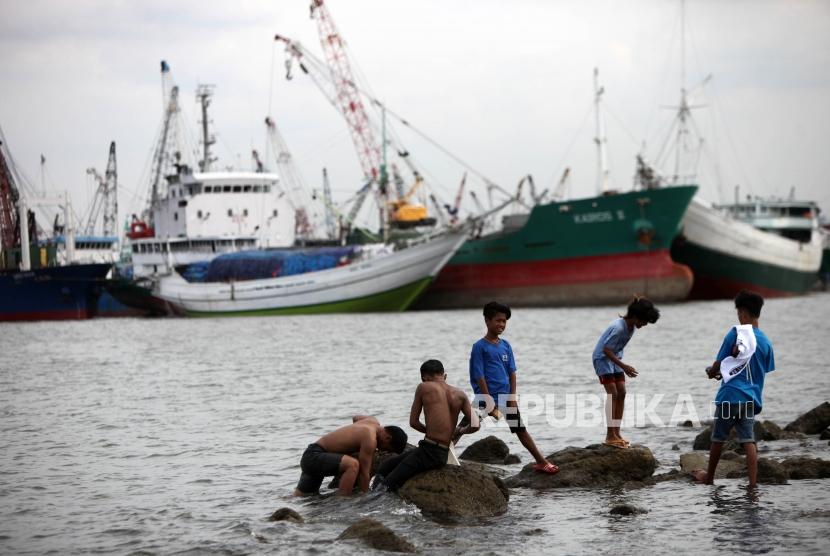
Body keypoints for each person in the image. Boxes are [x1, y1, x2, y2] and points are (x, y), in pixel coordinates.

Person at [463, 301, 559, 474]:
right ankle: (445, 447)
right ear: (487, 321)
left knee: (521, 430)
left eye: (504, 321)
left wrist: (512, 397)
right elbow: (479, 375)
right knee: (469, 424)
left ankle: (541, 462)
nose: (501, 324)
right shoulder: (479, 347)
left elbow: (512, 373)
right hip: (485, 397)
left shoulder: (505, 345)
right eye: (498, 320)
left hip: (505, 398)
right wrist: (487, 400)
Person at [692, 290, 775, 488]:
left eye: (738, 312)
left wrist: (712, 372)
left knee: (718, 438)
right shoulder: (766, 342)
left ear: (743, 313)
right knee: (748, 440)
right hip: (750, 398)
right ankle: (752, 485)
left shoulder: (736, 333)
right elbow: (764, 369)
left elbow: (718, 363)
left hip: (730, 396)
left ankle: (709, 478)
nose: (738, 316)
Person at [374, 359, 479, 491]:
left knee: (387, 484)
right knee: (387, 466)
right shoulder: (460, 394)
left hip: (429, 453)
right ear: (444, 375)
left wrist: (432, 432)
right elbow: (475, 425)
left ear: (424, 377)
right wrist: (460, 430)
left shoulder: (424, 387)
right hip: (441, 453)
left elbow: (413, 422)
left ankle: (372, 505)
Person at [592, 296, 660, 448]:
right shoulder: (618, 327)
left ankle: (617, 432)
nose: (644, 325)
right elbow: (606, 350)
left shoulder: (632, 326)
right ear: (635, 317)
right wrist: (624, 366)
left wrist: (622, 365)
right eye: (644, 321)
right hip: (603, 359)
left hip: (615, 359)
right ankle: (610, 436)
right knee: (613, 394)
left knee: (622, 393)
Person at [294, 416, 407, 496]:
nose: (381, 449)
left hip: (312, 456)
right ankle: (343, 501)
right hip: (315, 456)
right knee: (353, 465)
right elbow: (364, 474)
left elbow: (355, 418)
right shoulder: (370, 440)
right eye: (386, 448)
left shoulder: (372, 421)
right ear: (388, 438)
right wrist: (365, 498)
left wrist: (353, 441)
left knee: (301, 497)